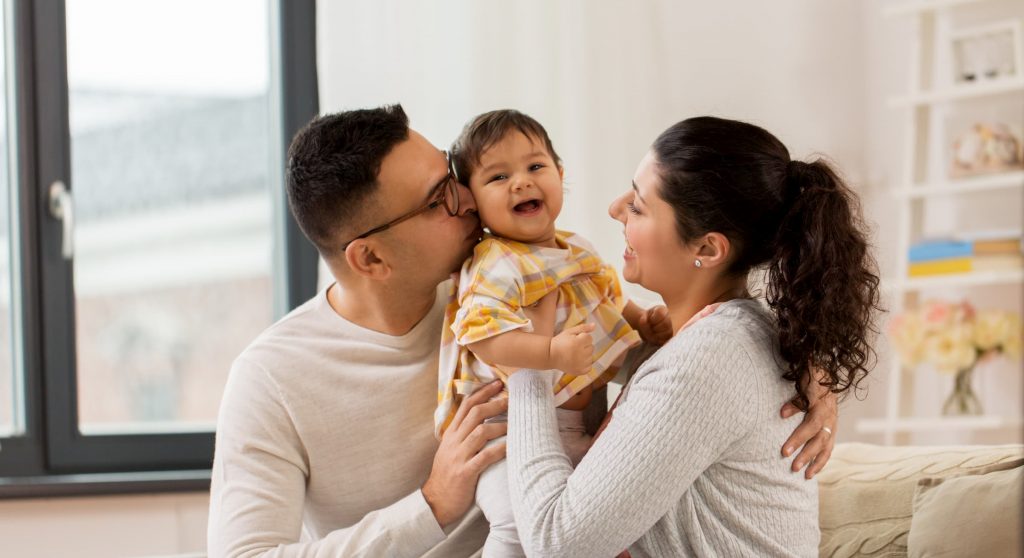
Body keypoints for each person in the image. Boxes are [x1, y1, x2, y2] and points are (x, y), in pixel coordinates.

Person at [206, 105, 841, 558]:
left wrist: (803, 361)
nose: (470, 203)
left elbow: (700, 353)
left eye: (456, 180)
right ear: (370, 259)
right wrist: (431, 507)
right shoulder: (272, 378)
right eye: (439, 201)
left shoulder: (514, 286)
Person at [505, 116, 880, 557]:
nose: (614, 208)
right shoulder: (721, 338)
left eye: (639, 207)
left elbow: (557, 544)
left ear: (707, 249)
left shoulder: (708, 358)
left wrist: (526, 366)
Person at [435, 110, 673, 557]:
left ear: (560, 175)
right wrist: (547, 351)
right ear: (474, 204)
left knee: (600, 523)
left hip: (577, 423)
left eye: (535, 167)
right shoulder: (495, 263)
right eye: (498, 177)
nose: (521, 182)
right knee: (514, 527)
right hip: (503, 436)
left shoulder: (576, 247)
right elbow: (482, 337)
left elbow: (606, 300)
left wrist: (642, 321)